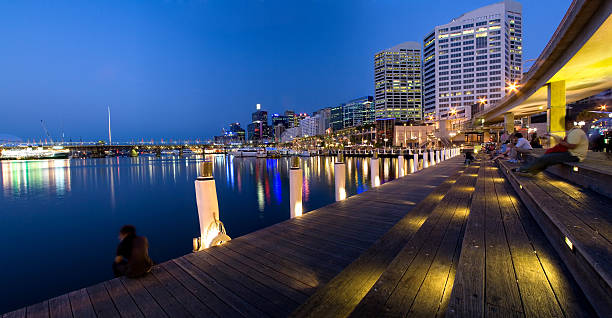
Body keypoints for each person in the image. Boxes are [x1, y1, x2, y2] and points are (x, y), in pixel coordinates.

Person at [514, 121, 588, 175]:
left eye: (564, 124)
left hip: (575, 156)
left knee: (546, 158)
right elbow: (563, 140)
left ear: (570, 123)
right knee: (546, 158)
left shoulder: (576, 132)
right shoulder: (573, 131)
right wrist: (552, 135)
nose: (563, 126)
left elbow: (571, 145)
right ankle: (531, 170)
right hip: (571, 154)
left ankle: (524, 169)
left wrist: (559, 142)